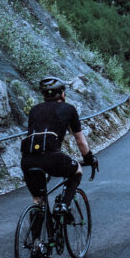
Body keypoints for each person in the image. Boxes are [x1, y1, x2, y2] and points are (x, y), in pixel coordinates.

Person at [19, 76, 98, 229]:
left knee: (38, 200)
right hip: (52, 157)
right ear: (62, 94)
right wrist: (89, 158)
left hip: (27, 159)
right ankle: (63, 206)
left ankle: (36, 244)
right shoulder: (69, 109)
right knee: (76, 170)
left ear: (44, 95)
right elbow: (80, 141)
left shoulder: (34, 110)